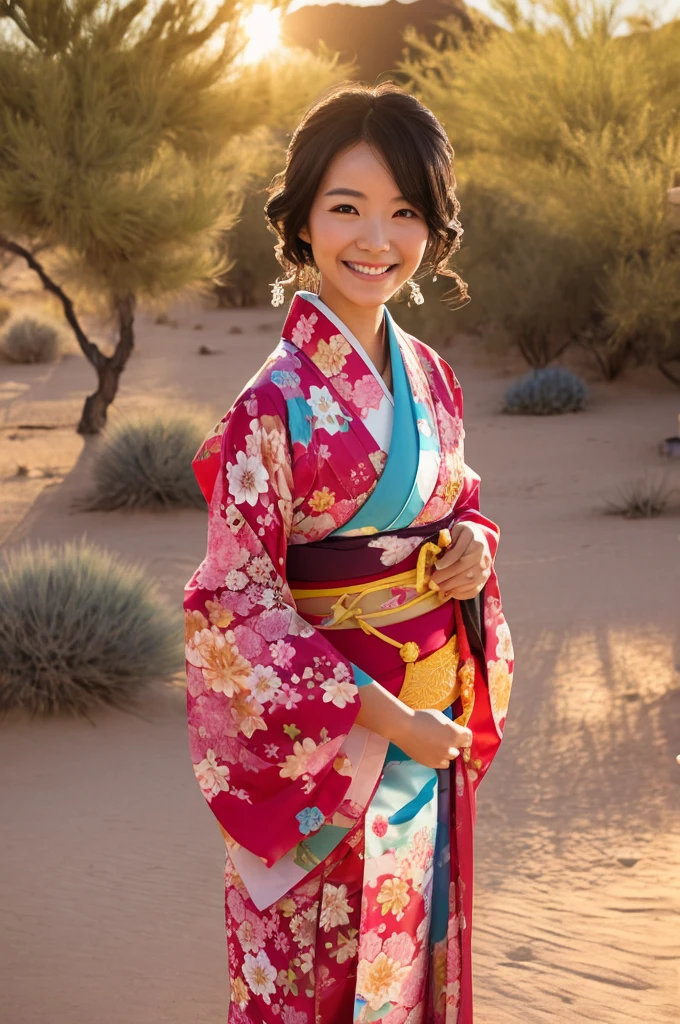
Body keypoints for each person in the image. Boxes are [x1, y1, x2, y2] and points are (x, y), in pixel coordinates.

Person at [183, 81, 513, 1024]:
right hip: (330, 756)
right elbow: (236, 610)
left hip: (427, 723)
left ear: (433, 230)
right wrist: (385, 721)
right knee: (317, 983)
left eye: (405, 211)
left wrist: (470, 547)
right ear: (301, 223)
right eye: (346, 208)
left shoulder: (432, 376)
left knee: (409, 972)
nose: (376, 239)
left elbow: (462, 499)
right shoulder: (271, 406)